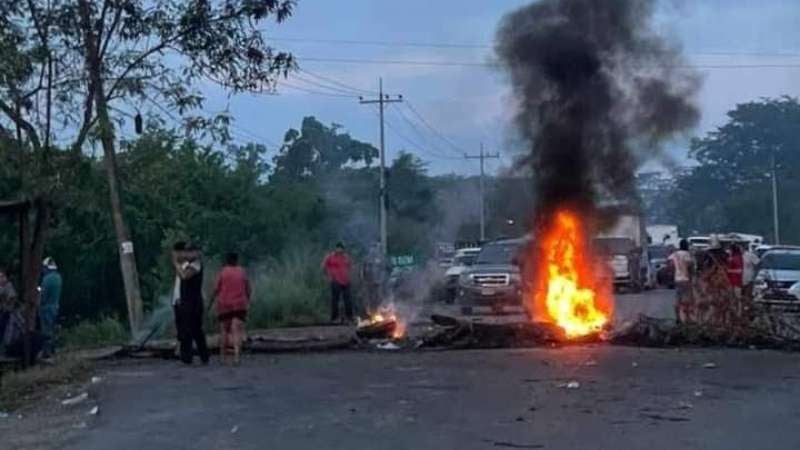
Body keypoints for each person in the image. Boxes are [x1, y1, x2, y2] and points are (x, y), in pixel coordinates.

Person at [172, 241, 210, 365]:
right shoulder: (187, 264)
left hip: (194, 303)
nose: (188, 254)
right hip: (185, 302)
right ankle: (187, 357)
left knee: (195, 330)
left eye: (191, 251)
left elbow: (184, 276)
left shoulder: (196, 265)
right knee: (185, 330)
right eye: (187, 251)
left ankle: (202, 355)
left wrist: (176, 263)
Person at [212, 252, 251, 365]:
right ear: (236, 260)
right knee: (237, 331)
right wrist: (248, 300)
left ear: (226, 260)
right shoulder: (242, 272)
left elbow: (216, 289)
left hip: (224, 304)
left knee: (224, 331)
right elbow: (248, 288)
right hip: (239, 304)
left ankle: (222, 358)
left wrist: (211, 303)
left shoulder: (223, 272)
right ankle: (237, 357)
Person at [322, 242, 353, 323]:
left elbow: (350, 267)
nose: (339, 250)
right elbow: (324, 267)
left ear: (343, 249)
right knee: (335, 300)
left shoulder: (346, 257)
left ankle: (349, 317)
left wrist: (349, 276)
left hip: (346, 281)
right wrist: (328, 277)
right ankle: (334, 318)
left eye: (341, 248)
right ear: (335, 248)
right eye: (338, 248)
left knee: (348, 300)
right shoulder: (330, 257)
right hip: (335, 281)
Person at [39, 257, 63, 358]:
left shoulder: (46, 279)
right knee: (52, 328)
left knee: (46, 330)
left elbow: (43, 296)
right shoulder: (58, 277)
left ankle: (47, 352)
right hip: (55, 306)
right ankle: (53, 349)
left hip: (46, 308)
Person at [668, 239, 694, 323]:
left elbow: (670, 264)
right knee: (687, 300)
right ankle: (687, 318)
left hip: (677, 279)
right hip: (686, 279)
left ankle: (678, 318)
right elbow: (690, 266)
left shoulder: (675, 254)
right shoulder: (687, 254)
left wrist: (674, 272)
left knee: (678, 299)